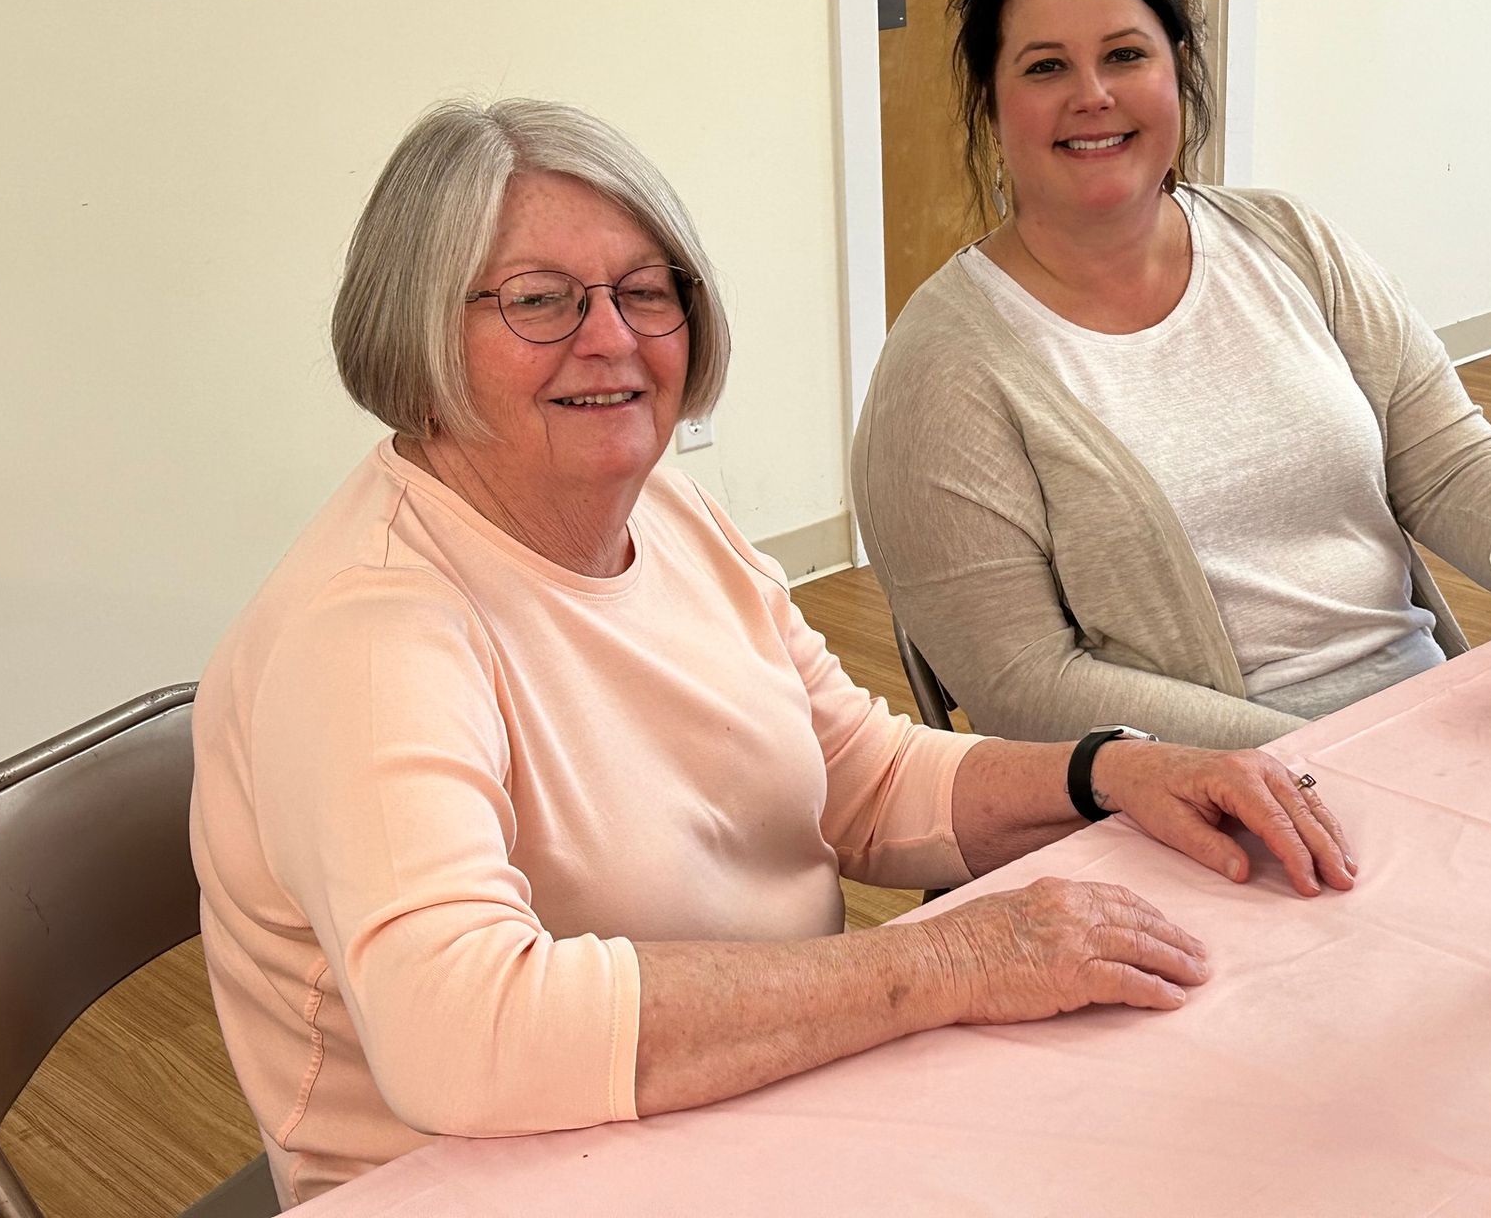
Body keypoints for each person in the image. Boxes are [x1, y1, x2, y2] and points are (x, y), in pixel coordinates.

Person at [188, 98, 1358, 1206]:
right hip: (503, 1178)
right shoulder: (370, 633)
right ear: (415, 331)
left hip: (756, 1101)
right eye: (540, 301)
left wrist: (1105, 771)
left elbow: (863, 779)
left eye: (649, 293)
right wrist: (937, 966)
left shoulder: (669, 512)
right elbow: (467, 1035)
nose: (612, 339)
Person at [853, 0, 1491, 752]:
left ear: (1176, 67)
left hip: (1421, 734)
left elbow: (1447, 463)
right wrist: (1311, 761)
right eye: (1045, 67)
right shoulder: (944, 372)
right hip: (1198, 806)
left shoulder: (1288, 242)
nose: (1093, 95)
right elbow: (1026, 688)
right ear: (992, 103)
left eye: (1125, 55)